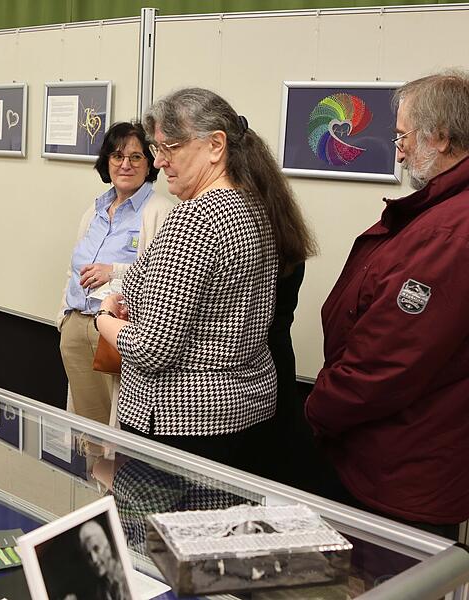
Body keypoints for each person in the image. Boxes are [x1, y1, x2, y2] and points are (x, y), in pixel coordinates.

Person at [97, 88, 315, 467]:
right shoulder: (256, 207)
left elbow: (151, 348)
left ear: (215, 145)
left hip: (178, 421)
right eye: (158, 149)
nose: (160, 162)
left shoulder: (195, 218)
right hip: (240, 414)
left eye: (171, 148)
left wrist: (105, 319)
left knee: (156, 528)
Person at [305, 70, 469, 536]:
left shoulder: (449, 232)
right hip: (401, 455)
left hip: (401, 469)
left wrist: (316, 410)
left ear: (438, 138)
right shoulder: (440, 212)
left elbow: (386, 363)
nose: (397, 150)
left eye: (403, 136)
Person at [57, 121, 174, 425]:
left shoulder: (161, 212)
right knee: (85, 427)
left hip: (117, 334)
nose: (126, 165)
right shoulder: (95, 210)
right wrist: (64, 318)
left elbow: (163, 277)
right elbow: (73, 269)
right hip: (77, 326)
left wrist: (114, 272)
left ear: (150, 164)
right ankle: (89, 474)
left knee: (116, 429)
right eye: (117, 156)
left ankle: (110, 474)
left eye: (136, 157)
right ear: (106, 161)